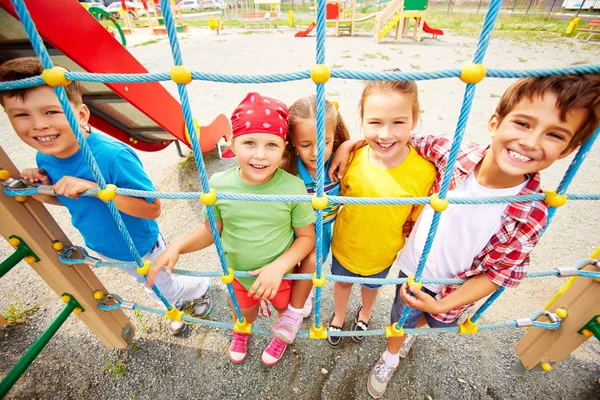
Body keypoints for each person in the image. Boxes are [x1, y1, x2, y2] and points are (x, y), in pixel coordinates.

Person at [329, 74, 600, 398]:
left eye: (554, 134)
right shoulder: (453, 153)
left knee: (433, 324)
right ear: (495, 122)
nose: (531, 141)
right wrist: (349, 144)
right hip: (412, 271)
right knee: (399, 322)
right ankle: (390, 356)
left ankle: (413, 332)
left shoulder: (532, 212)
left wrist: (445, 302)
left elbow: (499, 274)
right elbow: (395, 139)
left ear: (569, 149)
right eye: (524, 124)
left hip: (453, 292)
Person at [0, 57, 213, 336]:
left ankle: (198, 288)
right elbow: (68, 199)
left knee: (159, 283)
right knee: (148, 283)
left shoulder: (112, 155)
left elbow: (152, 208)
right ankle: (170, 304)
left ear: (82, 115)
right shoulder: (45, 155)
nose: (38, 125)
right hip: (105, 246)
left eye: (52, 112)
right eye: (21, 115)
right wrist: (44, 191)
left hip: (141, 245)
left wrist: (97, 189)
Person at [147, 92, 315, 366]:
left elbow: (307, 238)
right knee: (244, 314)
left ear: (284, 147)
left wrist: (279, 267)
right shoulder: (219, 184)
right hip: (237, 275)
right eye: (250, 142)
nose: (260, 155)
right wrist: (177, 246)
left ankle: (280, 335)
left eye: (271, 145)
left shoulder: (292, 187)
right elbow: (211, 230)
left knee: (283, 313)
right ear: (232, 143)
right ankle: (243, 329)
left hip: (280, 277)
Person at [327, 78, 436, 348]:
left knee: (372, 286)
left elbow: (416, 218)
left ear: (414, 120)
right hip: (345, 244)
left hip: (383, 251)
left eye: (398, 122)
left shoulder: (424, 172)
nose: (385, 134)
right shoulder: (351, 158)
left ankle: (364, 313)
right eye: (375, 122)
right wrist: (346, 145)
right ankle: (338, 315)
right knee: (341, 283)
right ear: (362, 121)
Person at [281, 95, 350, 318]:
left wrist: (348, 145)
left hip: (324, 227)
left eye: (326, 142)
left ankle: (305, 291)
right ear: (292, 140)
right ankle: (298, 289)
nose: (316, 152)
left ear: (334, 136)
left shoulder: (342, 161)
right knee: (293, 259)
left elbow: (374, 143)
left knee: (314, 259)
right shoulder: (287, 168)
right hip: (293, 226)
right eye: (305, 144)